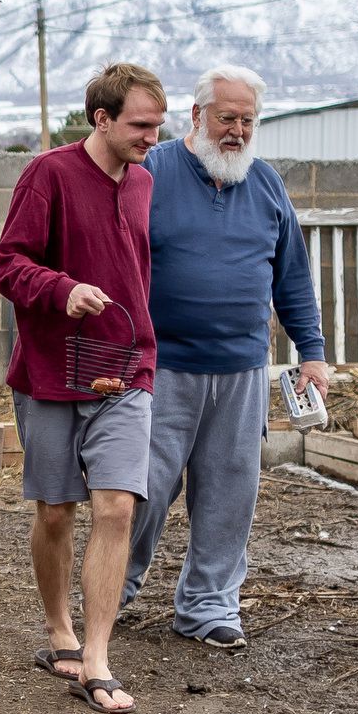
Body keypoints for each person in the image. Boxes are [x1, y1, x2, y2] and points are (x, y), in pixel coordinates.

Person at [122, 63, 327, 649]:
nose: (237, 131)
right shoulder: (151, 172)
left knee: (229, 493)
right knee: (143, 487)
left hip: (241, 370)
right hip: (161, 366)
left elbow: (293, 279)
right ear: (197, 116)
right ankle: (114, 590)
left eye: (247, 121)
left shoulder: (266, 185)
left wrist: (310, 353)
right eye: (227, 118)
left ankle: (209, 606)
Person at [0, 61, 164, 714]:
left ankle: (96, 657)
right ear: (102, 118)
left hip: (127, 367)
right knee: (57, 510)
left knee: (118, 506)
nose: (152, 138)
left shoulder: (145, 183)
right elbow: (8, 263)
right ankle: (59, 628)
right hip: (52, 368)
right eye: (141, 126)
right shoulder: (50, 175)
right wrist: (62, 290)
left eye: (158, 126)